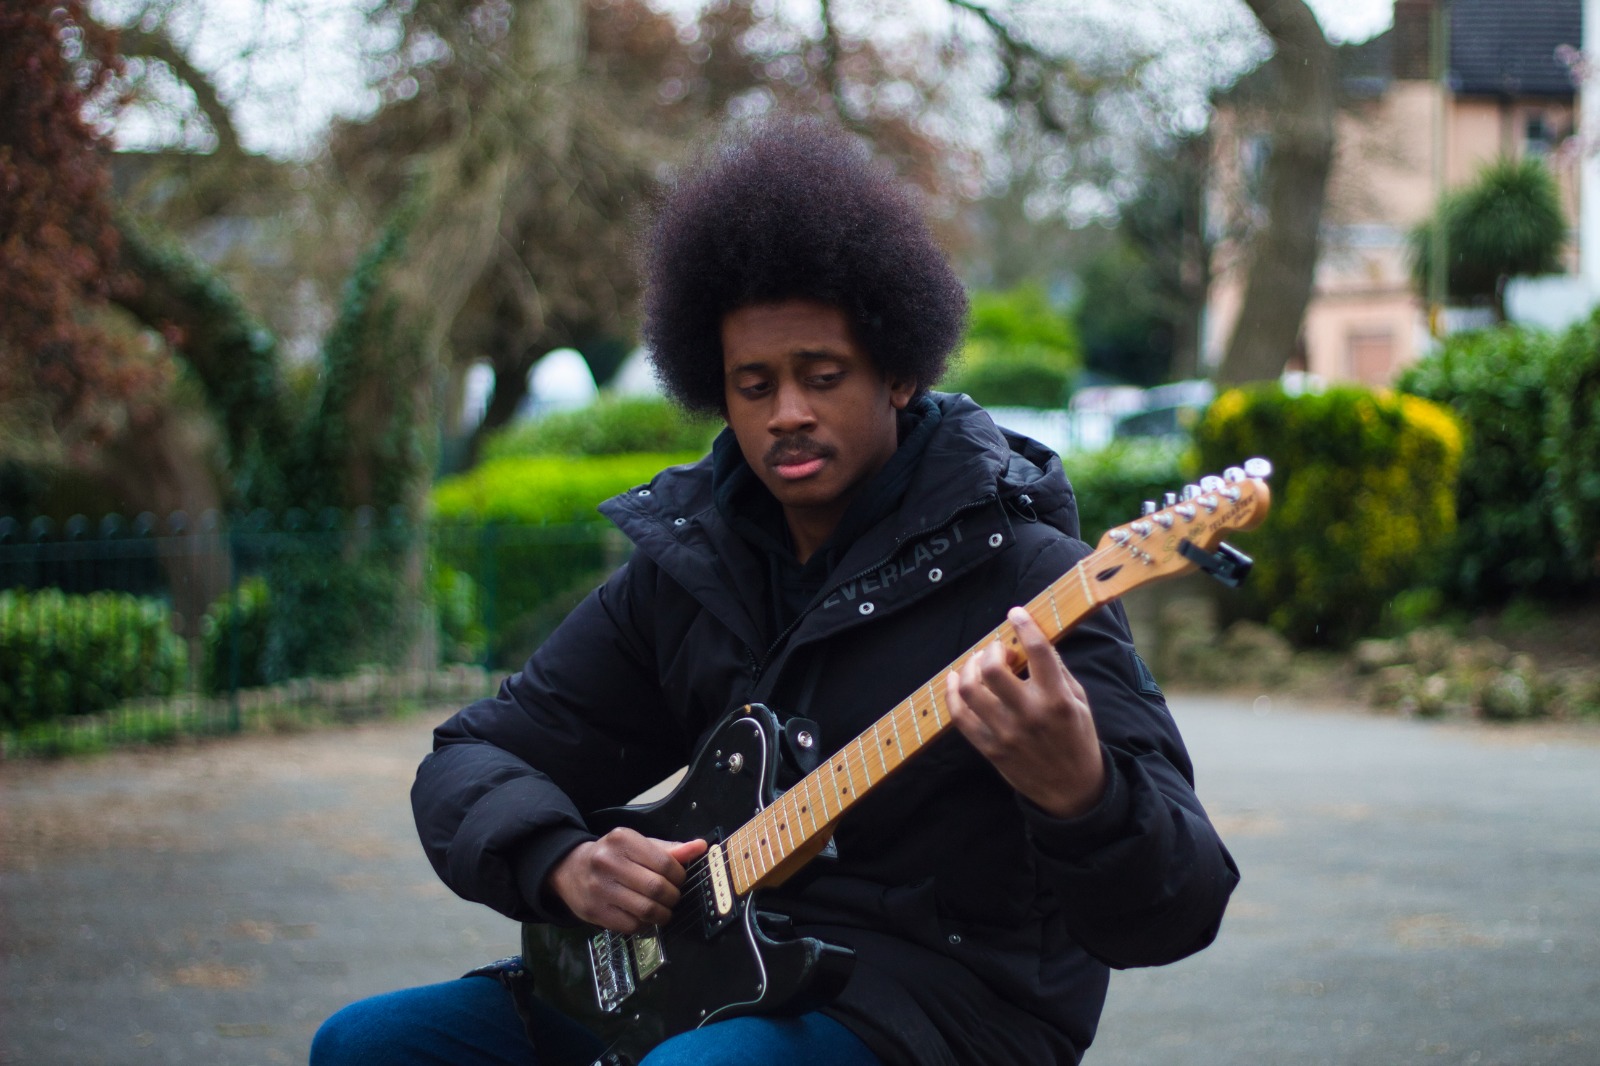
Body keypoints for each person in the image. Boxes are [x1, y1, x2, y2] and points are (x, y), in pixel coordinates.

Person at [312, 116, 1238, 1066]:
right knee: (370, 1046)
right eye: (753, 386)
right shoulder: (692, 571)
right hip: (694, 969)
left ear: (900, 373)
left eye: (822, 376)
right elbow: (475, 755)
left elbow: (1180, 904)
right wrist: (562, 860)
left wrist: (1081, 792)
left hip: (942, 1005)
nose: (787, 413)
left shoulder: (1031, 580)